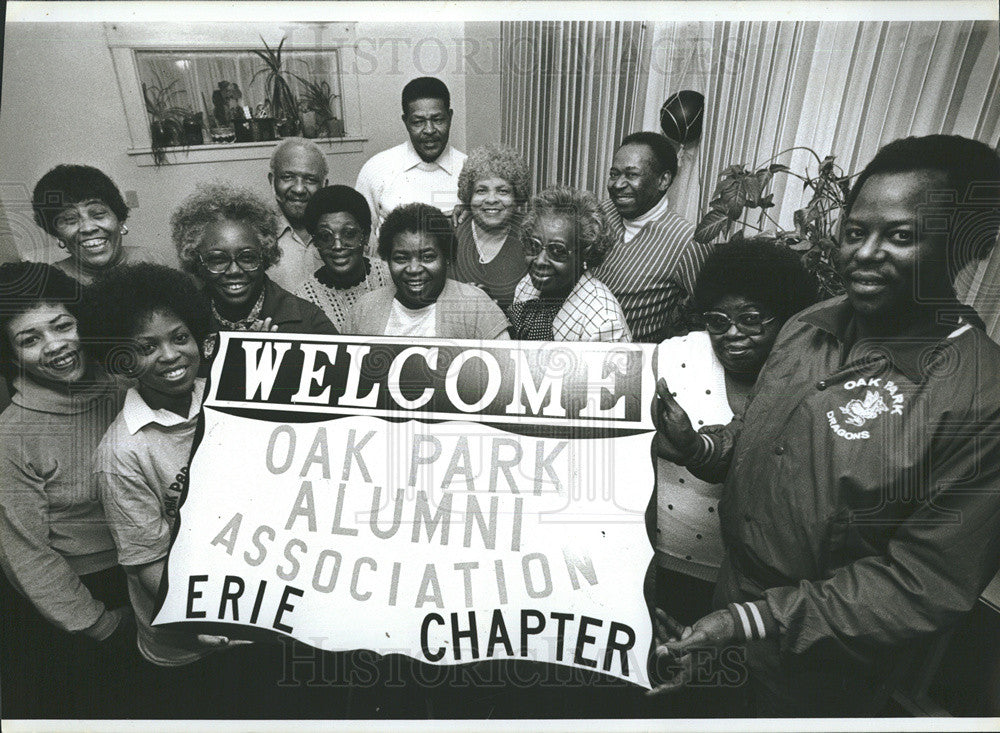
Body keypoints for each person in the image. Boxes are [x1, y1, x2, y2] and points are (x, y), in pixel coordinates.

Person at [649, 135, 1000, 717]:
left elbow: (921, 582)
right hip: (729, 608)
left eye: (901, 236)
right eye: (856, 231)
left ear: (968, 247)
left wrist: (754, 621)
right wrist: (700, 446)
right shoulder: (809, 325)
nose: (865, 253)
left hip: (821, 670)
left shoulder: (980, 398)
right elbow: (765, 439)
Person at [648, 236, 817, 717]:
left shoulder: (809, 375)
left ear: (786, 318)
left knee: (722, 699)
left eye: (751, 319)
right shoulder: (676, 356)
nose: (733, 335)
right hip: (663, 566)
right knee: (657, 686)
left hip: (753, 590)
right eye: (718, 321)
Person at [80, 263, 246, 717]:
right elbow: (145, 563)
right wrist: (198, 622)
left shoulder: (228, 395)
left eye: (180, 337)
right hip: (182, 644)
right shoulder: (120, 456)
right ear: (120, 359)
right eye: (146, 347)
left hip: (252, 613)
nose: (170, 354)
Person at [0, 262, 134, 717]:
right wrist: (99, 625)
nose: (55, 346)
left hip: (156, 571)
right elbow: (26, 554)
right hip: (93, 595)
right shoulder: (12, 436)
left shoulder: (125, 388)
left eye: (63, 325)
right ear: (9, 354)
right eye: (29, 338)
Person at [171, 182, 337, 335]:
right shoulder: (182, 321)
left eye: (247, 257)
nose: (234, 270)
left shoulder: (310, 321)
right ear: (196, 262)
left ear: (265, 256)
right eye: (218, 260)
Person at [593, 132, 712, 342]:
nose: (618, 184)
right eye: (614, 174)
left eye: (631, 175)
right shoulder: (602, 211)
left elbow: (712, 314)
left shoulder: (687, 242)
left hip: (630, 364)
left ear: (663, 180)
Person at [344, 202, 510, 339]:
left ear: (446, 257)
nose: (414, 269)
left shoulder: (476, 306)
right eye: (401, 258)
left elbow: (506, 371)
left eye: (428, 257)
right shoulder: (364, 309)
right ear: (387, 259)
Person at [355, 77, 467, 248]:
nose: (429, 130)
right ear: (405, 122)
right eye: (418, 122)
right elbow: (363, 239)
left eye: (438, 119)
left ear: (450, 117)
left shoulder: (469, 170)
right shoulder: (376, 169)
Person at [509, 187, 630, 342]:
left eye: (558, 250)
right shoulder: (526, 286)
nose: (539, 260)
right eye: (534, 245)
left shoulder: (604, 322)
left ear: (586, 253)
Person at [31, 164, 158, 284]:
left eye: (98, 214)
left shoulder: (150, 259)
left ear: (120, 220)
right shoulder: (52, 282)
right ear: (56, 233)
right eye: (70, 219)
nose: (88, 228)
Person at [294, 185, 392, 332]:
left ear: (365, 236)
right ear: (316, 242)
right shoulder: (304, 297)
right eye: (325, 236)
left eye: (349, 233)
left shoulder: (390, 276)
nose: (337, 246)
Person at [452, 144, 531, 312]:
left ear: (516, 196)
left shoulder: (532, 235)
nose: (491, 199)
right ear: (469, 196)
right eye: (481, 191)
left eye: (502, 191)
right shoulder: (450, 232)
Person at [266, 137, 329, 292]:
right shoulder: (257, 233)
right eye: (288, 177)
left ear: (324, 185)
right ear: (272, 181)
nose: (299, 189)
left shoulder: (345, 231)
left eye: (310, 179)